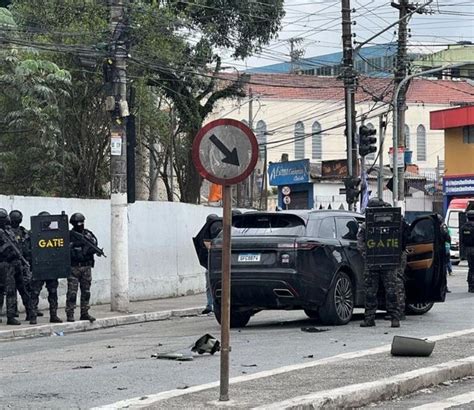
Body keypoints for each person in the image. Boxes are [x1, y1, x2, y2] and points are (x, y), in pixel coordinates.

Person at [357, 198, 400, 328]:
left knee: (375, 291)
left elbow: (360, 245)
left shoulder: (367, 225)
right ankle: (393, 318)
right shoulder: (392, 223)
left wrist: (368, 257)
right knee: (387, 290)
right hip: (384, 262)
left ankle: (372, 318)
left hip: (375, 262)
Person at [29, 211, 62, 324]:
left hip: (51, 268)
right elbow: (28, 251)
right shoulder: (32, 234)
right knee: (34, 293)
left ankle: (54, 315)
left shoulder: (56, 234)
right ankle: (33, 316)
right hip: (39, 268)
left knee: (53, 292)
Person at [66, 212, 99, 322]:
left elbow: (94, 246)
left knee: (86, 292)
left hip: (86, 267)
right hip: (73, 267)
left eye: (82, 223)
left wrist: (87, 249)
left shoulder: (88, 235)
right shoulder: (69, 235)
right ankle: (70, 313)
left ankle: (84, 312)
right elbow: (65, 250)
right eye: (78, 223)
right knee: (72, 293)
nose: (80, 225)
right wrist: (75, 246)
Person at [8, 210, 34, 323]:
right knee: (11, 290)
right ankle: (12, 314)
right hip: (9, 265)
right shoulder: (6, 232)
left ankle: (31, 312)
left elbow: (29, 248)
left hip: (22, 264)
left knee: (25, 289)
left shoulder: (23, 232)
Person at [0, 209, 21, 325]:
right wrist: (5, 247)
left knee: (9, 290)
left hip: (10, 264)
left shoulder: (7, 231)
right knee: (9, 291)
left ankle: (11, 315)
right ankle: (10, 316)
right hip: (3, 264)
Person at [460, 210, 474, 293]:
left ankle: (470, 286)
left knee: (471, 268)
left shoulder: (463, 227)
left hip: (468, 250)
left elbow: (462, 240)